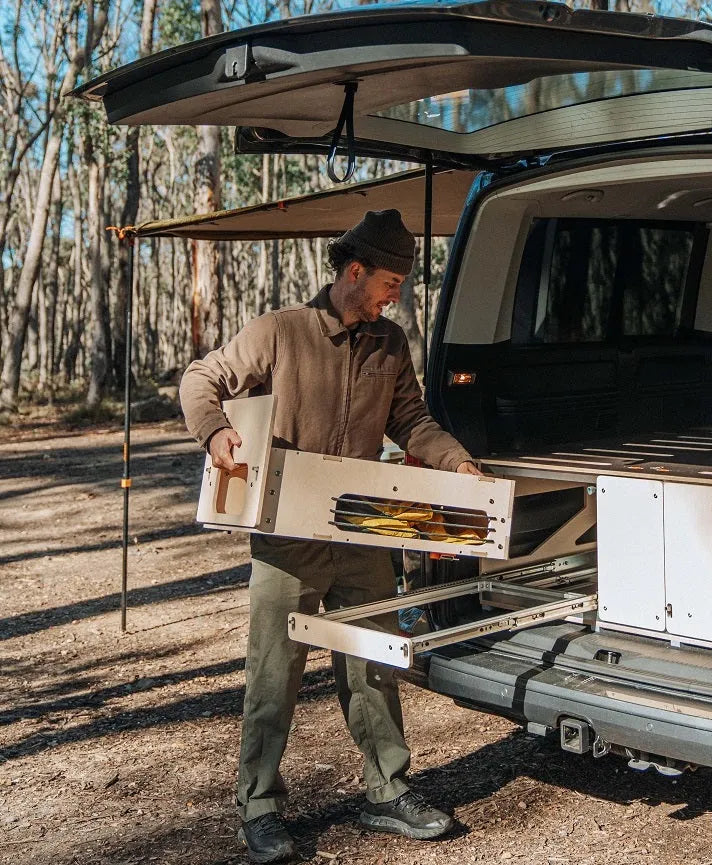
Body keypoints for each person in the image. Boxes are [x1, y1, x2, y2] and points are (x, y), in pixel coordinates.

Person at [179, 210, 480, 864]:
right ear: (354, 272)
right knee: (274, 670)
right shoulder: (280, 331)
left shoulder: (391, 344)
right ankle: (257, 806)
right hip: (287, 529)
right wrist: (215, 431)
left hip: (368, 526)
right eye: (389, 281)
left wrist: (456, 461)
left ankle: (388, 789)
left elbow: (413, 420)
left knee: (373, 657)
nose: (394, 293)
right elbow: (201, 379)